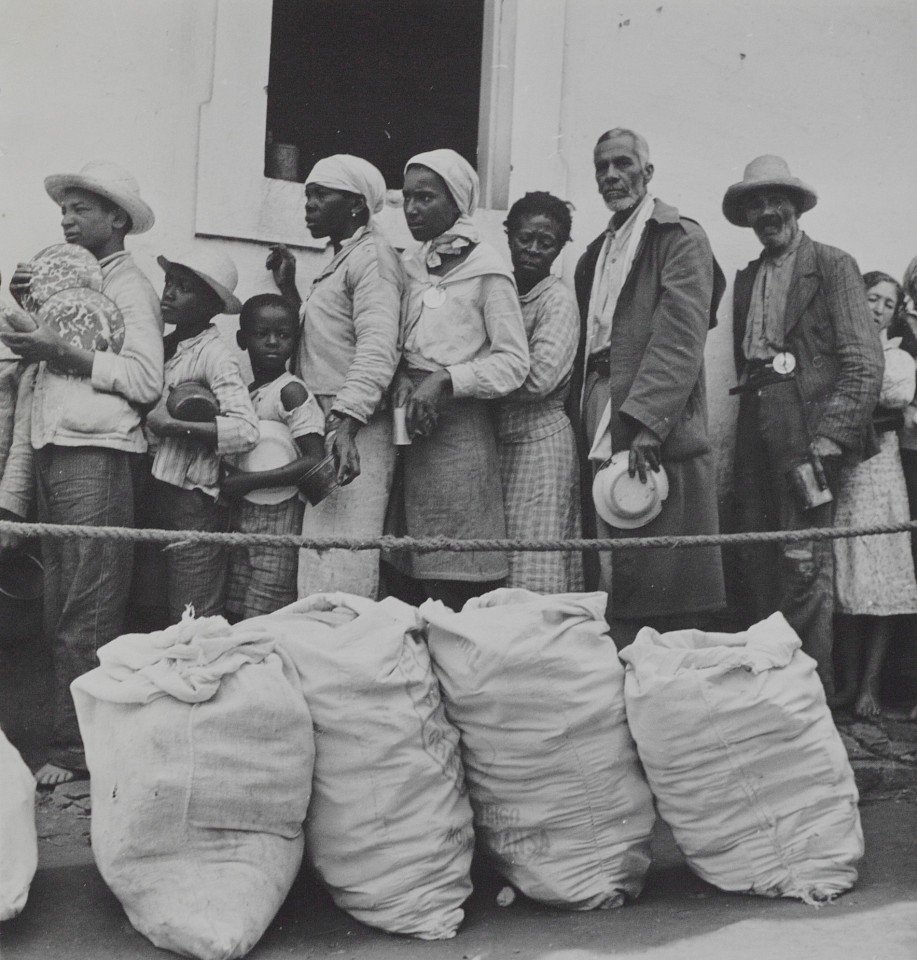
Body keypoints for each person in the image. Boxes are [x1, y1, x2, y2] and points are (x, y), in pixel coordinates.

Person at [0, 161, 163, 786]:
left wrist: (63, 350)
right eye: (62, 211)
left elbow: (149, 380)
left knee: (86, 609)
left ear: (117, 219)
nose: (66, 221)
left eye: (81, 210)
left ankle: (79, 753)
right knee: (58, 611)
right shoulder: (69, 286)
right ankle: (78, 742)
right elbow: (37, 389)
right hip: (54, 452)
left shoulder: (128, 287)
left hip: (96, 457)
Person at [724, 154, 884, 698]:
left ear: (794, 206)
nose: (768, 212)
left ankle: (812, 698)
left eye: (776, 200)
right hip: (755, 426)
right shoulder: (747, 279)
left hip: (807, 433)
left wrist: (830, 436)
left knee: (803, 561)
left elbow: (864, 360)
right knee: (753, 554)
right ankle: (767, 693)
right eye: (756, 204)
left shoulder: (834, 265)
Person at [571, 128, 725, 644]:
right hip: (601, 397)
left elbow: (680, 339)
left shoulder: (678, 237)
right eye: (602, 168)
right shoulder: (598, 250)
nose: (611, 176)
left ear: (647, 172)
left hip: (652, 414)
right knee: (614, 539)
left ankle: (667, 685)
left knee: (661, 555)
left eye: (622, 164)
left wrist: (646, 425)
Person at [385, 148, 529, 610]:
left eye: (425, 197)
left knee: (456, 573)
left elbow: (513, 361)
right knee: (407, 571)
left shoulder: (488, 270)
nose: (412, 209)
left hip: (460, 438)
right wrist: (404, 381)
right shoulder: (411, 265)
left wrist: (448, 379)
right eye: (407, 197)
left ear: (457, 202)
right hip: (411, 431)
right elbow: (402, 341)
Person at [268, 154, 402, 599]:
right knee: (320, 561)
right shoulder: (345, 258)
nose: (308, 203)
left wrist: (346, 424)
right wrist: (289, 290)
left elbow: (378, 346)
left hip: (353, 426)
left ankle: (345, 661)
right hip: (330, 423)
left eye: (320, 194)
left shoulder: (374, 259)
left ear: (355, 206)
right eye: (308, 193)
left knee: (343, 565)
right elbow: (328, 338)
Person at [144, 247, 258, 622]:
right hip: (156, 490)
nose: (170, 294)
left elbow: (245, 429)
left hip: (195, 500)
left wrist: (175, 427)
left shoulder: (215, 355)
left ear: (211, 306)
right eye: (170, 283)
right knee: (152, 604)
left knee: (191, 613)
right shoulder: (160, 346)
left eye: (185, 287)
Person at [831, 271, 917, 716]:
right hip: (846, 475)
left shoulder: (899, 359)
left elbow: (894, 393)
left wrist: (855, 384)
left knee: (881, 580)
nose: (879, 308)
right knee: (847, 579)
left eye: (888, 303)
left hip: (881, 475)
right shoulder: (837, 350)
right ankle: (846, 682)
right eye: (872, 298)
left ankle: (870, 686)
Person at [497, 191, 584, 593]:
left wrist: (466, 381)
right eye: (524, 239)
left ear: (560, 247)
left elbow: (539, 379)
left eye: (545, 243)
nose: (533, 250)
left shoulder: (558, 301)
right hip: (500, 443)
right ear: (508, 235)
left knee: (534, 563)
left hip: (540, 446)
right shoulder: (501, 293)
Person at [222, 294, 325, 620]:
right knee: (236, 608)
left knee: (264, 613)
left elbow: (315, 461)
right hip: (245, 515)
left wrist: (247, 482)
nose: (272, 342)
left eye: (283, 336)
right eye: (261, 334)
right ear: (242, 339)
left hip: (280, 518)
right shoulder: (247, 394)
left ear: (295, 342)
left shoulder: (290, 391)